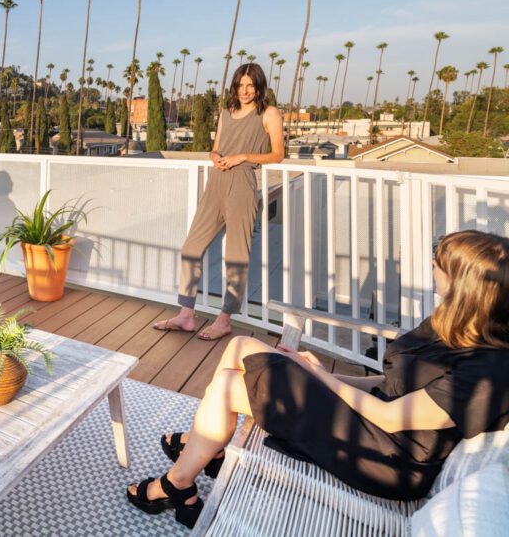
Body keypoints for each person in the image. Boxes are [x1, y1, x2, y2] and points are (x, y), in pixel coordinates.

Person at [127, 230, 509, 527]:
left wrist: (316, 377)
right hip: (368, 424)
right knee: (241, 348)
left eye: (440, 262)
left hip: (387, 457)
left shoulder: (490, 370)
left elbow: (395, 417)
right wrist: (327, 374)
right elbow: (388, 384)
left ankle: (180, 480)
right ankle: (200, 454)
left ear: (467, 285)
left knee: (230, 381)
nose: (432, 264)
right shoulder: (451, 324)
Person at [154, 63, 284, 340]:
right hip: (216, 181)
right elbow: (216, 147)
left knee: (236, 256)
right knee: (191, 246)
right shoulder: (226, 113)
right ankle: (186, 314)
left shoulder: (269, 113)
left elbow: (277, 155)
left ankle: (224, 319)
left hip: (242, 184)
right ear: (234, 86)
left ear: (259, 86)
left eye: (250, 85)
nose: (245, 91)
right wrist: (215, 156)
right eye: (240, 85)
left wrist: (242, 157)